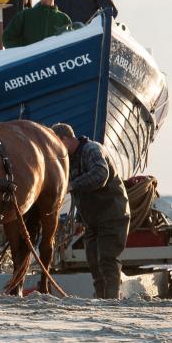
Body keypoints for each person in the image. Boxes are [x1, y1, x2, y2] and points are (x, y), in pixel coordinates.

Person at [51, 123, 130, 299]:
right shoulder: (71, 160)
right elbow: (85, 192)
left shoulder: (92, 149)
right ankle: (102, 299)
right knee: (94, 263)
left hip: (112, 214)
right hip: (92, 219)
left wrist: (71, 184)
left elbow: (101, 175)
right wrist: (80, 218)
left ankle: (111, 301)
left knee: (107, 260)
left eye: (56, 145)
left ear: (64, 139)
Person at [3, 0, 71, 48]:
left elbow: (69, 43)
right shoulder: (25, 15)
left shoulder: (64, 19)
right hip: (31, 58)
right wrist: (23, 52)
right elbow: (7, 38)